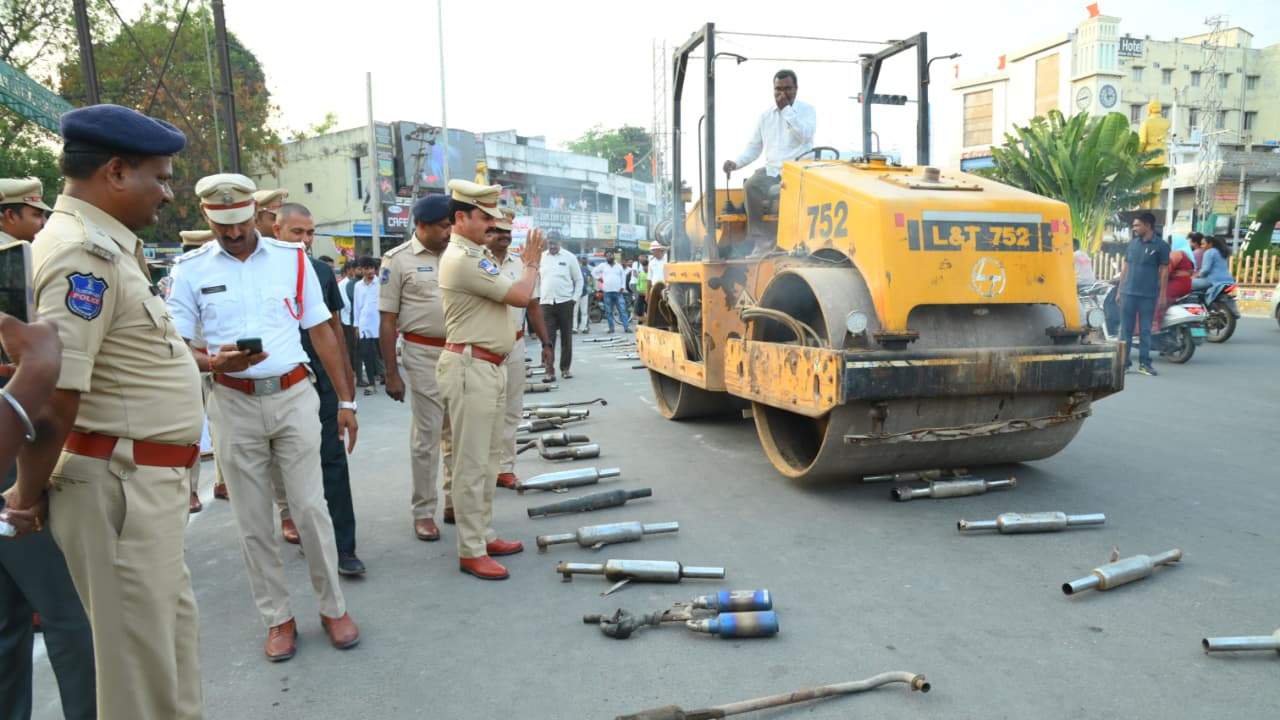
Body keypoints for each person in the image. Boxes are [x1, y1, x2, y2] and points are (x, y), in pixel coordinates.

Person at [9, 103, 203, 719]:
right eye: (160, 177)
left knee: (167, 666)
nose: (168, 193)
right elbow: (55, 394)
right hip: (120, 488)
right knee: (138, 685)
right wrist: (26, 494)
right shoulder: (81, 253)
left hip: (141, 483)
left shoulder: (107, 247)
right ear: (116, 172)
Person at [167, 172, 360, 662]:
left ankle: (333, 608)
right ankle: (278, 618)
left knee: (310, 509)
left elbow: (321, 331)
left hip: (294, 396)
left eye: (241, 222)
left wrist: (346, 400)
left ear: (258, 213)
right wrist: (214, 362)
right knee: (253, 519)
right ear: (207, 217)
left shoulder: (292, 260)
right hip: (232, 402)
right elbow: (175, 345)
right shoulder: (189, 270)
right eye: (222, 225)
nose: (234, 233)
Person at [0, 182, 98, 720]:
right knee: (67, 612)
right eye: (32, 215)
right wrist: (29, 488)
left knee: (7, 623)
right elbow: (44, 393)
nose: (40, 224)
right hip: (13, 459)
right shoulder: (20, 267)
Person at [436, 179, 543, 580]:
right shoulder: (463, 258)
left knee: (487, 461)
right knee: (472, 463)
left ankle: (482, 535)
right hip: (471, 367)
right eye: (485, 218)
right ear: (460, 218)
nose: (492, 225)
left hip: (487, 366)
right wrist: (531, 263)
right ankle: (471, 549)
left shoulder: (475, 254)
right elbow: (520, 296)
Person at [275, 203, 363, 576]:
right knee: (294, 468)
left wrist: (346, 386)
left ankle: (344, 548)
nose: (305, 240)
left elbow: (334, 328)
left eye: (310, 233)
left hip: (322, 383)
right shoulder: (262, 271)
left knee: (333, 462)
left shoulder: (321, 271)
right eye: (297, 232)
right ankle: (307, 534)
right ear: (276, 230)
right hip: (283, 385)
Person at [377, 194, 451, 542]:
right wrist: (392, 372)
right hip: (421, 355)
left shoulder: (459, 255)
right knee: (427, 437)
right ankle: (423, 511)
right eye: (443, 226)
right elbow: (387, 320)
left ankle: (456, 502)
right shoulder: (397, 260)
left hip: (460, 353)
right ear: (422, 225)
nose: (449, 232)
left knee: (459, 433)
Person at [487, 209, 552, 490]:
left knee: (512, 409)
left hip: (514, 344)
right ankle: (481, 469)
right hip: (483, 345)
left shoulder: (522, 264)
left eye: (507, 232)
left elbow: (533, 305)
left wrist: (546, 343)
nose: (504, 236)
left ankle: (504, 469)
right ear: (485, 232)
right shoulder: (476, 262)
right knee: (484, 411)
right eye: (497, 231)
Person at [722, 69, 816, 256]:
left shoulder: (807, 111)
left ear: (796, 89)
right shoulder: (766, 117)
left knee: (785, 191)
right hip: (773, 170)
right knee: (751, 185)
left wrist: (786, 110)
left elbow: (804, 136)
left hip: (799, 171)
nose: (782, 93)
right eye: (778, 89)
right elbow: (754, 148)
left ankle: (794, 239)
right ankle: (762, 240)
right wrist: (736, 163)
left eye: (787, 88)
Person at [175, 229, 218, 513]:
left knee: (222, 426)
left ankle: (223, 482)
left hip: (222, 363)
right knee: (191, 429)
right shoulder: (180, 279)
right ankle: (190, 489)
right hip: (190, 363)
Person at [1114, 212, 1169, 376]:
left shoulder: (1161, 246)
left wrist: (1162, 294)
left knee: (1145, 330)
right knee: (1126, 331)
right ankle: (1124, 364)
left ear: (1148, 226)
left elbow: (1164, 271)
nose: (1134, 228)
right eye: (1134, 225)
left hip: (1148, 295)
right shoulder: (1132, 244)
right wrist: (1119, 290)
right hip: (1128, 293)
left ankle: (1145, 364)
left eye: (1137, 225)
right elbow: (1125, 267)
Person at [537, 232, 582, 380]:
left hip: (565, 302)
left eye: (555, 243)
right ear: (547, 243)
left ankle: (565, 369)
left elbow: (579, 280)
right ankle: (549, 370)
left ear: (560, 243)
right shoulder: (541, 257)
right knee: (547, 339)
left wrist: (574, 299)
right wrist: (537, 298)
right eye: (550, 243)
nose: (552, 246)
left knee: (566, 337)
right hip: (546, 303)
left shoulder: (569, 257)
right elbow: (537, 280)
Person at [352, 257, 381, 396]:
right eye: (366, 268)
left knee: (382, 354)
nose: (370, 271)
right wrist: (356, 326)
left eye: (372, 268)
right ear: (361, 270)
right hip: (364, 325)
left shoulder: (381, 283)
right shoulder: (358, 286)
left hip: (379, 323)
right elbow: (356, 306)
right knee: (367, 355)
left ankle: (387, 377)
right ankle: (371, 384)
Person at [594, 253, 631, 333]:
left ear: (613, 257)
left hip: (618, 292)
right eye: (607, 256)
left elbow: (623, 277)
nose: (609, 257)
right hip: (607, 292)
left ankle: (626, 327)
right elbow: (593, 272)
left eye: (610, 255)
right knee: (608, 311)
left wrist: (623, 287)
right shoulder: (603, 265)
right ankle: (611, 328)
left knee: (622, 310)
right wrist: (599, 278)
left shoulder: (619, 266)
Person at [338, 262, 362, 384]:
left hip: (354, 319)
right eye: (356, 269)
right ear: (348, 270)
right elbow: (346, 303)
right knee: (352, 348)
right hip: (348, 320)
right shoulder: (344, 284)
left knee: (355, 348)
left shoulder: (356, 283)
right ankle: (353, 371)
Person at [1166, 235, 1195, 303]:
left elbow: (1167, 271)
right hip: (1186, 284)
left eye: (1169, 243)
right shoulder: (1186, 253)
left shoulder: (1176, 254)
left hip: (1177, 284)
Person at [575, 255, 592, 333]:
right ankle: (574, 328)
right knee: (574, 312)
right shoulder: (573, 269)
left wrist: (589, 285)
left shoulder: (585, 269)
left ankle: (584, 328)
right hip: (575, 293)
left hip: (584, 293)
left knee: (584, 311)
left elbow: (590, 277)